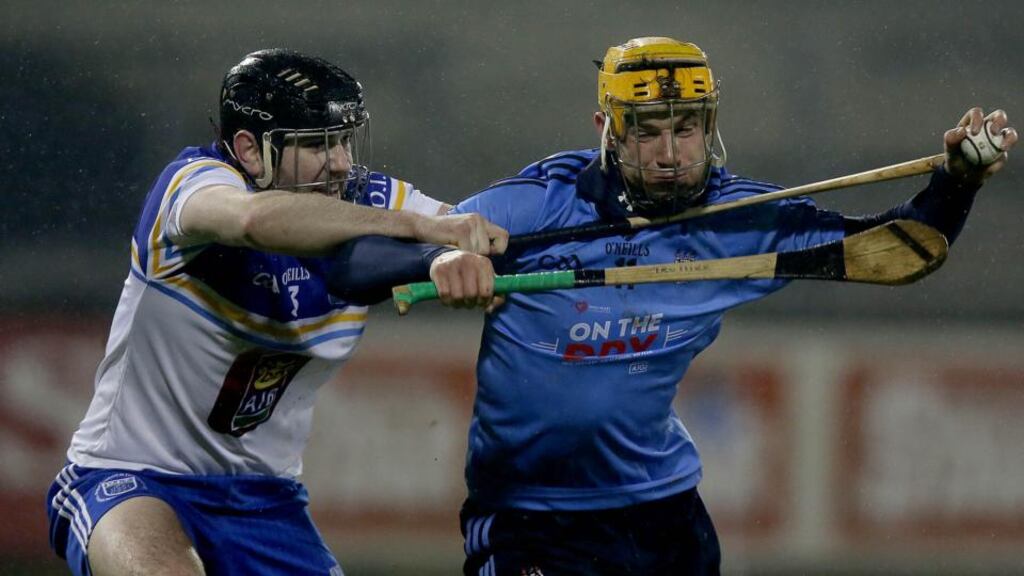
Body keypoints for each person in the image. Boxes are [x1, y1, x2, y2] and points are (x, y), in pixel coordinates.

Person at [330, 36, 1016, 574]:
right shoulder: (535, 206)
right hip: (531, 520)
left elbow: (896, 252)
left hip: (666, 516)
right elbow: (357, 267)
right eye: (647, 130)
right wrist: (443, 260)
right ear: (607, 128)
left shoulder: (741, 219)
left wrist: (956, 183)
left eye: (686, 129)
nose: (669, 154)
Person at [44, 48, 505, 576]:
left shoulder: (371, 200)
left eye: (343, 141)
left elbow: (474, 230)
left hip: (264, 499)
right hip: (130, 477)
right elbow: (250, 220)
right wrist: (419, 230)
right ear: (250, 150)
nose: (341, 162)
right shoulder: (194, 184)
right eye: (316, 145)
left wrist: (451, 257)